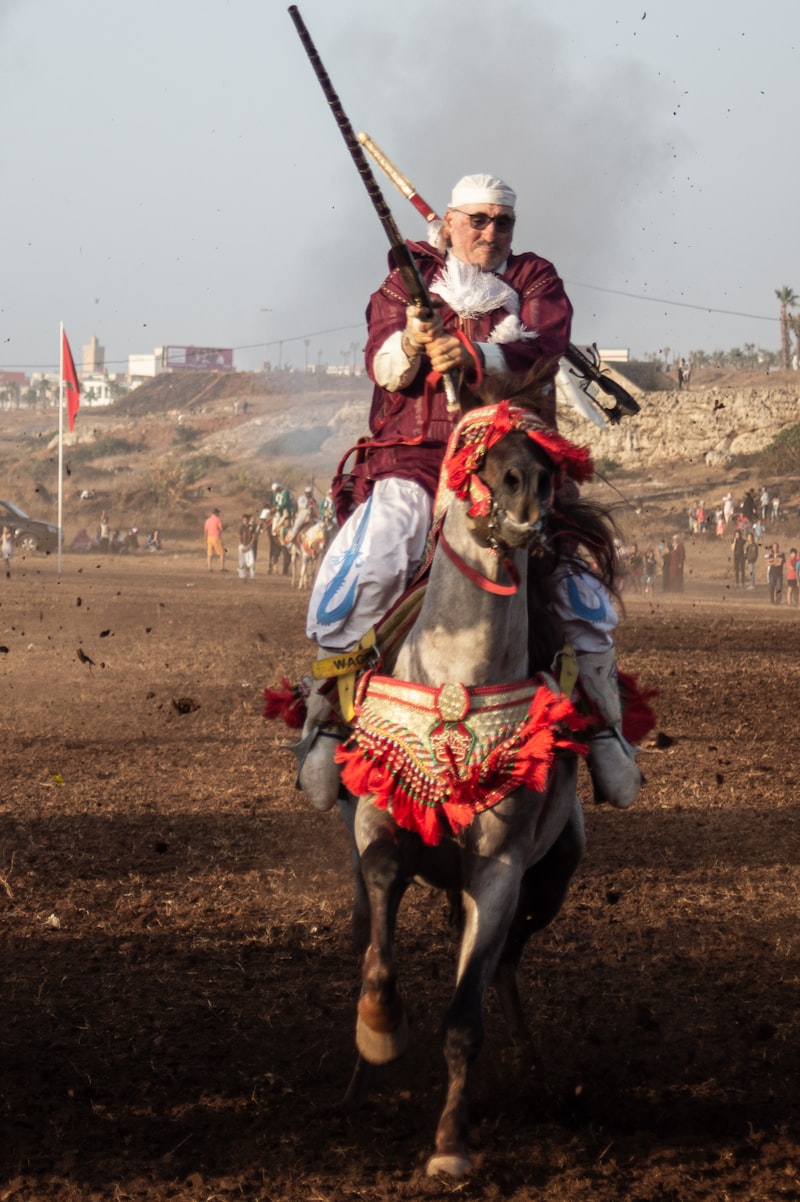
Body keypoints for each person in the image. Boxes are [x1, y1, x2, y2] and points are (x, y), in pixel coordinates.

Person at [302, 172, 642, 813]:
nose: (490, 231)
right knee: (375, 557)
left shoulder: (535, 280)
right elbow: (384, 368)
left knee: (578, 593)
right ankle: (323, 722)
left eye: (501, 221)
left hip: (506, 456)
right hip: (417, 457)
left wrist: (471, 355)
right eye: (477, 220)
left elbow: (544, 346)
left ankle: (605, 732)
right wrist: (413, 338)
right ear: (451, 223)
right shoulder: (404, 284)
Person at [204, 507, 225, 572]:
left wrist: (205, 540)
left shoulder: (207, 520)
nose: (219, 514)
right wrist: (224, 527)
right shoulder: (218, 520)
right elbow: (221, 529)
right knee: (222, 553)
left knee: (209, 554)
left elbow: (205, 531)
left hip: (209, 538)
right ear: (216, 513)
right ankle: (221, 568)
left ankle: (209, 568)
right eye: (218, 513)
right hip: (216, 538)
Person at [237, 513, 257, 580]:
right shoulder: (241, 527)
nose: (245, 521)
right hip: (242, 546)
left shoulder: (251, 527)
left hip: (249, 546)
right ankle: (242, 576)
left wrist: (249, 546)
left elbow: (253, 538)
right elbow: (239, 537)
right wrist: (241, 545)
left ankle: (252, 576)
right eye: (244, 520)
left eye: (246, 520)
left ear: (248, 520)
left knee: (251, 562)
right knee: (242, 561)